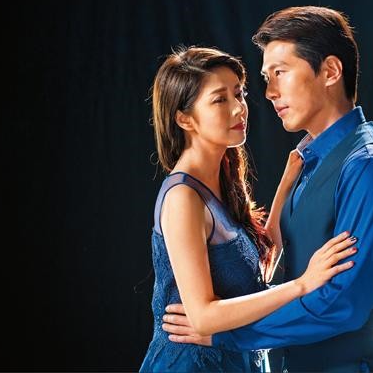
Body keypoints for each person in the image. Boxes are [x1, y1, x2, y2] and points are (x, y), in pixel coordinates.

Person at [162, 6, 373, 372]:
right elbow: (268, 268)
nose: (269, 93)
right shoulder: (309, 160)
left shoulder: (370, 167)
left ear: (330, 71)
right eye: (265, 78)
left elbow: (342, 304)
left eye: (280, 73)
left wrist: (228, 334)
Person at [139, 46, 358, 372]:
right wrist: (302, 284)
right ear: (184, 119)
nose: (239, 108)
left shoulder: (220, 179)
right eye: (219, 100)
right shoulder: (183, 197)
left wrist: (288, 182)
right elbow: (202, 317)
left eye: (238, 94)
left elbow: (253, 272)